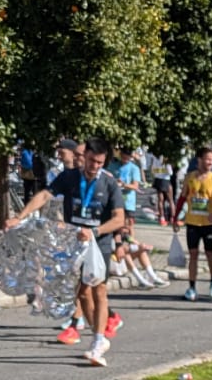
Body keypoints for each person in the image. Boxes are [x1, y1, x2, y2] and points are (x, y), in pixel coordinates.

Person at [8, 136, 126, 365]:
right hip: (74, 242)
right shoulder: (70, 177)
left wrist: (96, 232)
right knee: (82, 293)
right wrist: (19, 217)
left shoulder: (109, 183)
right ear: (84, 156)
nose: (95, 166)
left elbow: (118, 218)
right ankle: (98, 337)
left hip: (97, 242)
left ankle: (98, 339)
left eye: (100, 163)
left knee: (98, 290)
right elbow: (44, 195)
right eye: (92, 161)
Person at [175, 146, 212, 300]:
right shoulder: (190, 177)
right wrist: (176, 217)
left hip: (209, 223)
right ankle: (191, 287)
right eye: (208, 159)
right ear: (200, 160)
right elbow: (182, 199)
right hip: (192, 222)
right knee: (193, 255)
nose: (211, 162)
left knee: (210, 253)